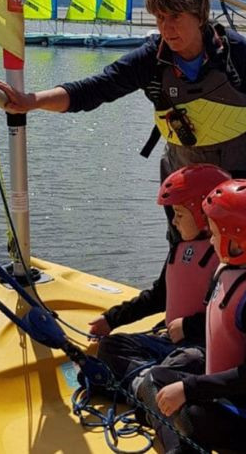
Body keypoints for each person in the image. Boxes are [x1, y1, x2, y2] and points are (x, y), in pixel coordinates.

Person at [0, 0, 246, 207]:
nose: (166, 27)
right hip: (185, 180)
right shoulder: (151, 59)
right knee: (187, 269)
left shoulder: (238, 54)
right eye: (160, 18)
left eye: (175, 16)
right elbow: (93, 90)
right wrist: (31, 101)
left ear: (200, 14)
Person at [136, 179, 246, 453]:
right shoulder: (230, 271)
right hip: (228, 392)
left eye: (215, 234)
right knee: (155, 378)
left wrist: (188, 389)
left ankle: (176, 441)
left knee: (190, 414)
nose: (211, 240)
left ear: (240, 243)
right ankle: (170, 425)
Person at [87, 164, 230, 394]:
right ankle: (148, 387)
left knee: (188, 361)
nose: (174, 221)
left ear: (203, 214)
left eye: (180, 214)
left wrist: (188, 326)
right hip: (170, 346)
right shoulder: (179, 248)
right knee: (112, 346)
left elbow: (232, 320)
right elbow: (158, 297)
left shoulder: (226, 257)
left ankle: (147, 385)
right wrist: (111, 319)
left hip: (200, 350)